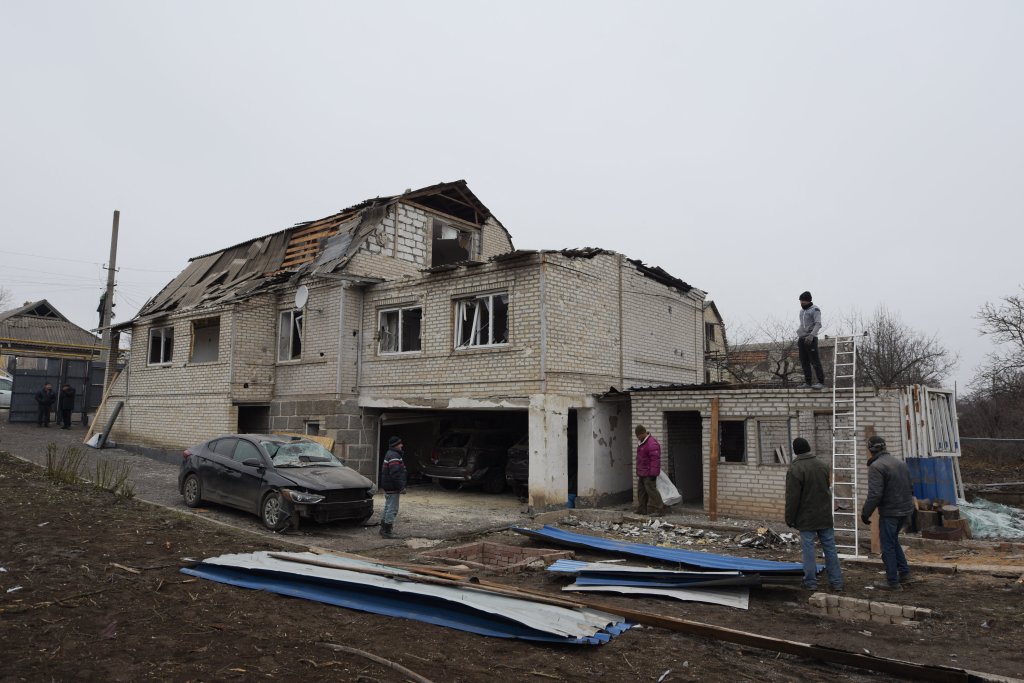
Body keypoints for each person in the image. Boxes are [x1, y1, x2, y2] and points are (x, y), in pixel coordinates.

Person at [785, 437, 844, 592]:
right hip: (824, 515)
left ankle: (810, 582)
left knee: (808, 550)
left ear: (795, 451)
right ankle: (837, 582)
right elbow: (827, 488)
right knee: (830, 548)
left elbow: (793, 497)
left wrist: (790, 518)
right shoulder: (823, 465)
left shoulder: (795, 469)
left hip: (806, 518)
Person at [860, 435, 915, 591]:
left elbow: (875, 494)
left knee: (887, 546)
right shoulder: (900, 463)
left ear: (870, 450)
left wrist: (865, 513)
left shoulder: (877, 467)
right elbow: (911, 488)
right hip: (905, 511)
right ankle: (904, 573)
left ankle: (892, 582)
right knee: (893, 541)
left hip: (891, 512)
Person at [379, 435, 407, 538]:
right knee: (393, 508)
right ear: (395, 445)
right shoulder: (394, 456)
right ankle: (387, 531)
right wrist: (401, 487)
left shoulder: (390, 453)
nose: (402, 445)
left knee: (388, 506)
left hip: (388, 485)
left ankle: (383, 528)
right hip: (392, 486)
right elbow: (395, 474)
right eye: (400, 443)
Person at [796, 291, 825, 389]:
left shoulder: (815, 309)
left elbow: (818, 324)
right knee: (804, 362)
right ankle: (807, 383)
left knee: (815, 361)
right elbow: (802, 324)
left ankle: (821, 382)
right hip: (802, 339)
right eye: (800, 301)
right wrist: (799, 332)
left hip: (811, 339)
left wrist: (811, 335)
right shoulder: (801, 311)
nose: (801, 303)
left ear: (808, 300)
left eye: (802, 301)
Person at [634, 425, 664, 516]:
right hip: (643, 472)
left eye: (638, 436)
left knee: (651, 491)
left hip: (649, 473)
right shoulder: (642, 442)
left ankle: (659, 510)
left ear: (643, 433)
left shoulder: (652, 443)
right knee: (641, 491)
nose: (638, 438)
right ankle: (642, 509)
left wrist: (653, 474)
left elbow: (655, 460)